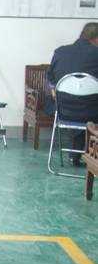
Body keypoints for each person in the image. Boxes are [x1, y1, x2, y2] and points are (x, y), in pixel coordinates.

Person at [48, 22, 98, 166]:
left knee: (79, 102)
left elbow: (51, 80)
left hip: (64, 111)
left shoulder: (60, 52)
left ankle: (75, 155)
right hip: (93, 112)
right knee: (87, 104)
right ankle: (90, 156)